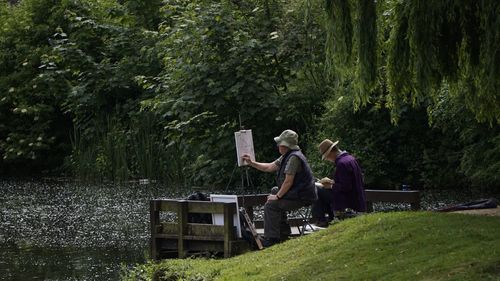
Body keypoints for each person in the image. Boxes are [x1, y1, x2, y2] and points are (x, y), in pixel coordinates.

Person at [242, 129, 317, 247]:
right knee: (274, 190)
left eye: (280, 144)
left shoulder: (293, 158)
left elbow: (288, 182)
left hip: (302, 197)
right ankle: (283, 232)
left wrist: (277, 197)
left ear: (285, 146)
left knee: (271, 206)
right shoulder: (286, 156)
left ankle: (271, 239)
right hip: (297, 193)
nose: (278, 146)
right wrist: (252, 163)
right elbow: (269, 167)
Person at [316, 139, 366, 219]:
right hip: (357, 199)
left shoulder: (341, 163)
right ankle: (328, 218)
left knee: (317, 190)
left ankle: (321, 220)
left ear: (330, 153)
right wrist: (332, 181)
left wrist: (331, 186)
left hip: (348, 201)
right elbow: (349, 181)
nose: (327, 159)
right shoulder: (350, 158)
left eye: (326, 157)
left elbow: (346, 187)